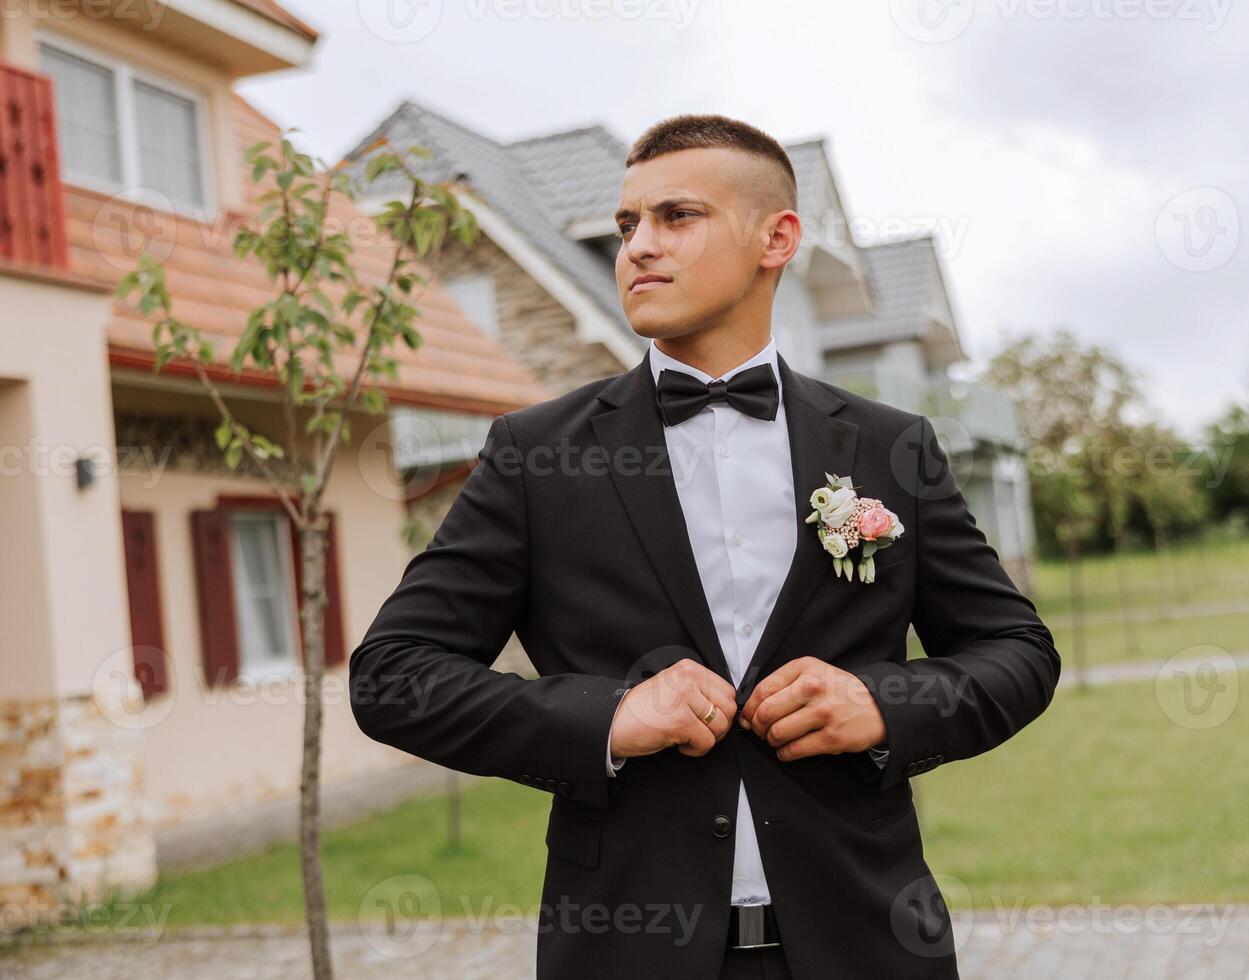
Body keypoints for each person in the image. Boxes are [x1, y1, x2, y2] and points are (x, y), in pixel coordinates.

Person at [350, 113, 1061, 980]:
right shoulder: (536, 455)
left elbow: (1018, 652)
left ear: (778, 237)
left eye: (676, 217)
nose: (639, 247)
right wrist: (607, 717)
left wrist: (885, 705)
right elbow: (393, 675)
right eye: (626, 226)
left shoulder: (888, 448)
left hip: (867, 944)